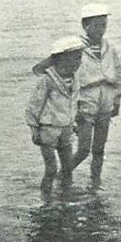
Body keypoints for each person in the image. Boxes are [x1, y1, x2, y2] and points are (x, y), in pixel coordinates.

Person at [72, 5, 121, 182]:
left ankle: (95, 181)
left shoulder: (109, 47)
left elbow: (119, 73)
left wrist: (117, 99)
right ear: (84, 26)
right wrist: (74, 107)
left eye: (103, 25)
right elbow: (70, 79)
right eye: (95, 26)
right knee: (83, 149)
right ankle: (62, 174)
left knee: (99, 149)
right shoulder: (76, 49)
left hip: (106, 99)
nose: (100, 30)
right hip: (86, 100)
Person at [26, 36, 83, 192]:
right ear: (61, 59)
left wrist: (75, 123)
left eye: (80, 58)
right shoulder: (48, 80)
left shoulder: (74, 78)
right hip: (48, 130)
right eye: (75, 58)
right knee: (51, 168)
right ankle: (46, 198)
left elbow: (73, 103)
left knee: (67, 168)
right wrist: (34, 128)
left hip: (66, 128)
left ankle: (65, 198)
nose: (79, 62)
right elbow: (35, 104)